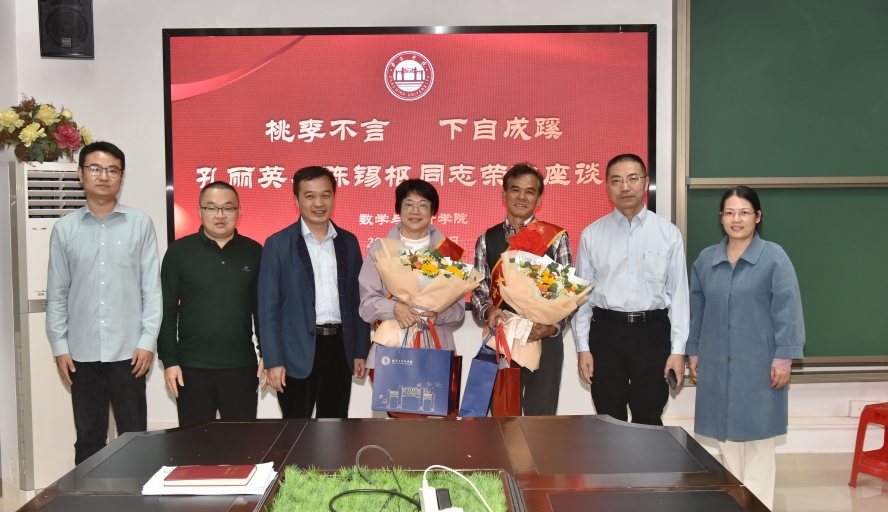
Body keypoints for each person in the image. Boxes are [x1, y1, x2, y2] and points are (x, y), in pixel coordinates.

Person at [687, 186, 804, 510]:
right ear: (721, 217)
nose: (736, 219)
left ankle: (758, 507)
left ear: (758, 216)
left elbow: (788, 310)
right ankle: (734, 504)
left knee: (759, 444)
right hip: (716, 363)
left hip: (760, 366)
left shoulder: (774, 257)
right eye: (729, 212)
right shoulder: (706, 260)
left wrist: (783, 359)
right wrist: (694, 353)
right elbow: (696, 311)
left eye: (744, 212)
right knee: (726, 444)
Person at [46, 141, 161, 464]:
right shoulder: (64, 229)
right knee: (88, 439)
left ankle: (135, 492)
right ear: (81, 174)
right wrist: (60, 346)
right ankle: (88, 493)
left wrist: (147, 342)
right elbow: (57, 293)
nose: (103, 176)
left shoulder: (140, 223)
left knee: (134, 437)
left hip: (130, 353)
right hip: (80, 354)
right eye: (95, 168)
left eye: (112, 170)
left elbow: (151, 290)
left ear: (121, 177)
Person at [571, 153, 688, 426]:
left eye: (633, 178)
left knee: (649, 416)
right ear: (607, 186)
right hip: (606, 333)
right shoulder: (592, 235)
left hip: (653, 333)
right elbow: (582, 298)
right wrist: (583, 347)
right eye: (616, 180)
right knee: (609, 418)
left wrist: (678, 350)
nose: (625, 186)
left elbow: (680, 297)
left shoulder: (668, 233)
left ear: (646, 182)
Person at [258, 166, 370, 418]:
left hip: (340, 349)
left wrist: (360, 350)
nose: (318, 203)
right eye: (309, 196)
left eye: (325, 195)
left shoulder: (349, 242)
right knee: (296, 430)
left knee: (335, 428)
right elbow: (268, 309)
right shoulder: (277, 244)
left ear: (334, 197)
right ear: (296, 200)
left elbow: (358, 301)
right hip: (295, 351)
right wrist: (273, 360)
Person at [158, 182, 265, 427]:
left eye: (228, 208)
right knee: (194, 443)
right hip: (191, 369)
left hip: (241, 367)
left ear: (239, 211)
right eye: (212, 208)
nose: (220, 215)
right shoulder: (178, 252)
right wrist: (169, 360)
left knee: (242, 443)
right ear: (200, 211)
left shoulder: (254, 251)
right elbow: (166, 309)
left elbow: (262, 310)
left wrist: (266, 353)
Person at [471, 163, 573, 416]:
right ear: (504, 194)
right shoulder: (487, 239)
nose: (522, 197)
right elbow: (479, 289)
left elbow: (569, 293)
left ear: (539, 199)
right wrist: (489, 310)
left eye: (530, 191)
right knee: (503, 417)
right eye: (515, 190)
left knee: (542, 420)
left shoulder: (556, 238)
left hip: (544, 338)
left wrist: (552, 327)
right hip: (503, 336)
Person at [358, 179, 466, 411]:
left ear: (433, 210)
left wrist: (438, 314)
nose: (415, 211)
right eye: (408, 204)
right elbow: (366, 304)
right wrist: (394, 308)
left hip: (436, 346)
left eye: (423, 204)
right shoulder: (380, 249)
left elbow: (459, 311)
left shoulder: (449, 252)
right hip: (392, 347)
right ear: (398, 208)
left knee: (435, 420)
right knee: (396, 418)